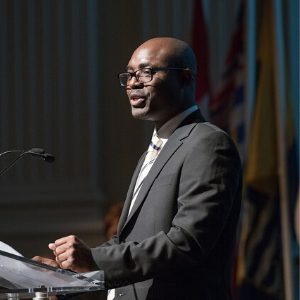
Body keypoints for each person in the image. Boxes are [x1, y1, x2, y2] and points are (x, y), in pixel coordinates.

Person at [34, 37, 242, 300]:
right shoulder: (152, 152)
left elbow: (187, 241)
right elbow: (128, 244)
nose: (133, 83)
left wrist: (95, 258)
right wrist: (67, 275)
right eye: (129, 74)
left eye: (146, 73)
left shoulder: (208, 143)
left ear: (186, 78)